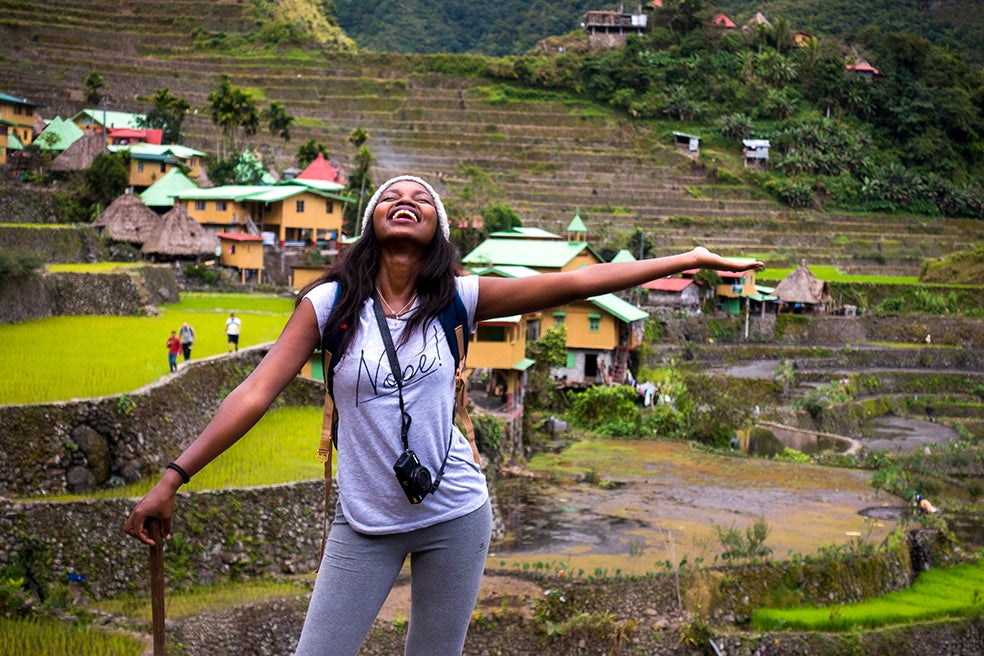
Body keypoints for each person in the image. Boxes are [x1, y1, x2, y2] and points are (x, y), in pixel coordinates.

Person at [123, 175, 763, 656]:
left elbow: (575, 285)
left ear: (438, 228)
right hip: (364, 521)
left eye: (421, 200)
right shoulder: (328, 304)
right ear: (372, 221)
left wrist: (689, 260)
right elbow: (254, 394)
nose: (405, 201)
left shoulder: (460, 295)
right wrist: (173, 477)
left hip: (454, 512)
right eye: (391, 197)